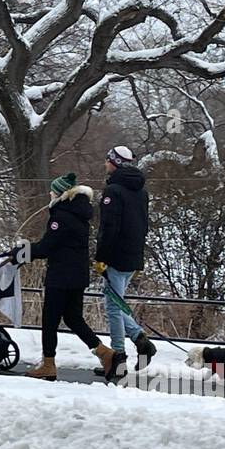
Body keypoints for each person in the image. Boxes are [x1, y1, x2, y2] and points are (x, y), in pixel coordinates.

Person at [13, 172, 102, 381]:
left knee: (50, 320)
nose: (50, 194)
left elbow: (47, 247)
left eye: (52, 191)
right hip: (78, 275)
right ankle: (105, 353)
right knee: (73, 318)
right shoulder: (80, 213)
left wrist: (20, 253)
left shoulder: (61, 216)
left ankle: (48, 364)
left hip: (61, 275)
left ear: (61, 194)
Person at [93, 145, 154, 378]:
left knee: (113, 308)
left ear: (115, 163)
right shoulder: (142, 191)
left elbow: (109, 228)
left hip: (116, 256)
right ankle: (141, 341)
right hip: (133, 255)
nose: (105, 164)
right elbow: (144, 226)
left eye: (108, 160)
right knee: (116, 303)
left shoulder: (114, 191)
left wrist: (101, 257)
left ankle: (118, 359)